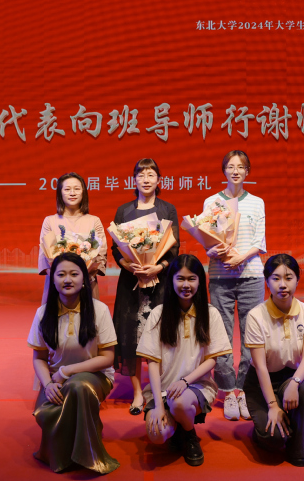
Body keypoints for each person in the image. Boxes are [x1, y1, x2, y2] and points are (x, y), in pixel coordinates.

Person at [27, 252, 120, 474]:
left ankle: (88, 456)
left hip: (96, 376)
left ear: (84, 279)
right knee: (48, 410)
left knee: (79, 387)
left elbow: (107, 358)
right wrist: (48, 384)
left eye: (74, 274)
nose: (67, 279)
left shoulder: (99, 310)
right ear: (53, 279)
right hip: (56, 380)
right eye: (61, 274)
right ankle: (63, 454)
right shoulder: (43, 313)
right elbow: (39, 358)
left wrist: (67, 371)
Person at [136, 255, 232, 466]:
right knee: (157, 435)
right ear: (171, 280)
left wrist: (185, 381)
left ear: (200, 281)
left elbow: (212, 360)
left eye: (191, 279)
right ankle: (178, 425)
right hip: (163, 390)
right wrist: (158, 405)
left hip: (196, 387)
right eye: (180, 279)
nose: (186, 285)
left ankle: (189, 434)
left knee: (179, 402)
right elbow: (152, 363)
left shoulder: (210, 314)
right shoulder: (158, 314)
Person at [112, 158, 180, 415]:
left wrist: (157, 268)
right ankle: (138, 393)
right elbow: (115, 249)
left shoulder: (167, 209)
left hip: (159, 283)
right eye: (141, 175)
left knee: (158, 335)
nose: (146, 179)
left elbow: (174, 248)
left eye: (151, 174)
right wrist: (130, 266)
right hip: (131, 283)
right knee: (131, 335)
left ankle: (158, 388)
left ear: (159, 180)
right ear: (134, 180)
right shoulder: (123, 211)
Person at [203, 150, 267, 421]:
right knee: (222, 334)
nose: (236, 171)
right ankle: (229, 391)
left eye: (241, 167)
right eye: (231, 166)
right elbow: (207, 237)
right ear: (224, 171)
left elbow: (259, 241)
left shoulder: (257, 202)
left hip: (251, 274)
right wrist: (211, 251)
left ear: (247, 171)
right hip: (221, 275)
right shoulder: (212, 202)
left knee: (252, 335)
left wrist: (242, 257)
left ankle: (246, 390)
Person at [243, 254, 304, 467]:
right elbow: (260, 366)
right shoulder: (256, 316)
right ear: (267, 281)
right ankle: (261, 433)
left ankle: (297, 445)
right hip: (261, 381)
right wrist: (272, 406)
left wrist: (295, 383)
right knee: (274, 439)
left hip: (291, 377)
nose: (283, 284)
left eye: (289, 277)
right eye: (276, 278)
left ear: (297, 280)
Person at [39, 172, 107, 302]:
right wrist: (60, 279)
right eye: (67, 189)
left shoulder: (94, 221)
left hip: (87, 284)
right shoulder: (49, 221)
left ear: (83, 192)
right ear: (60, 193)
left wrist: (82, 278)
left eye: (77, 189)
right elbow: (44, 258)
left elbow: (101, 255)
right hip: (57, 287)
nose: (72, 193)